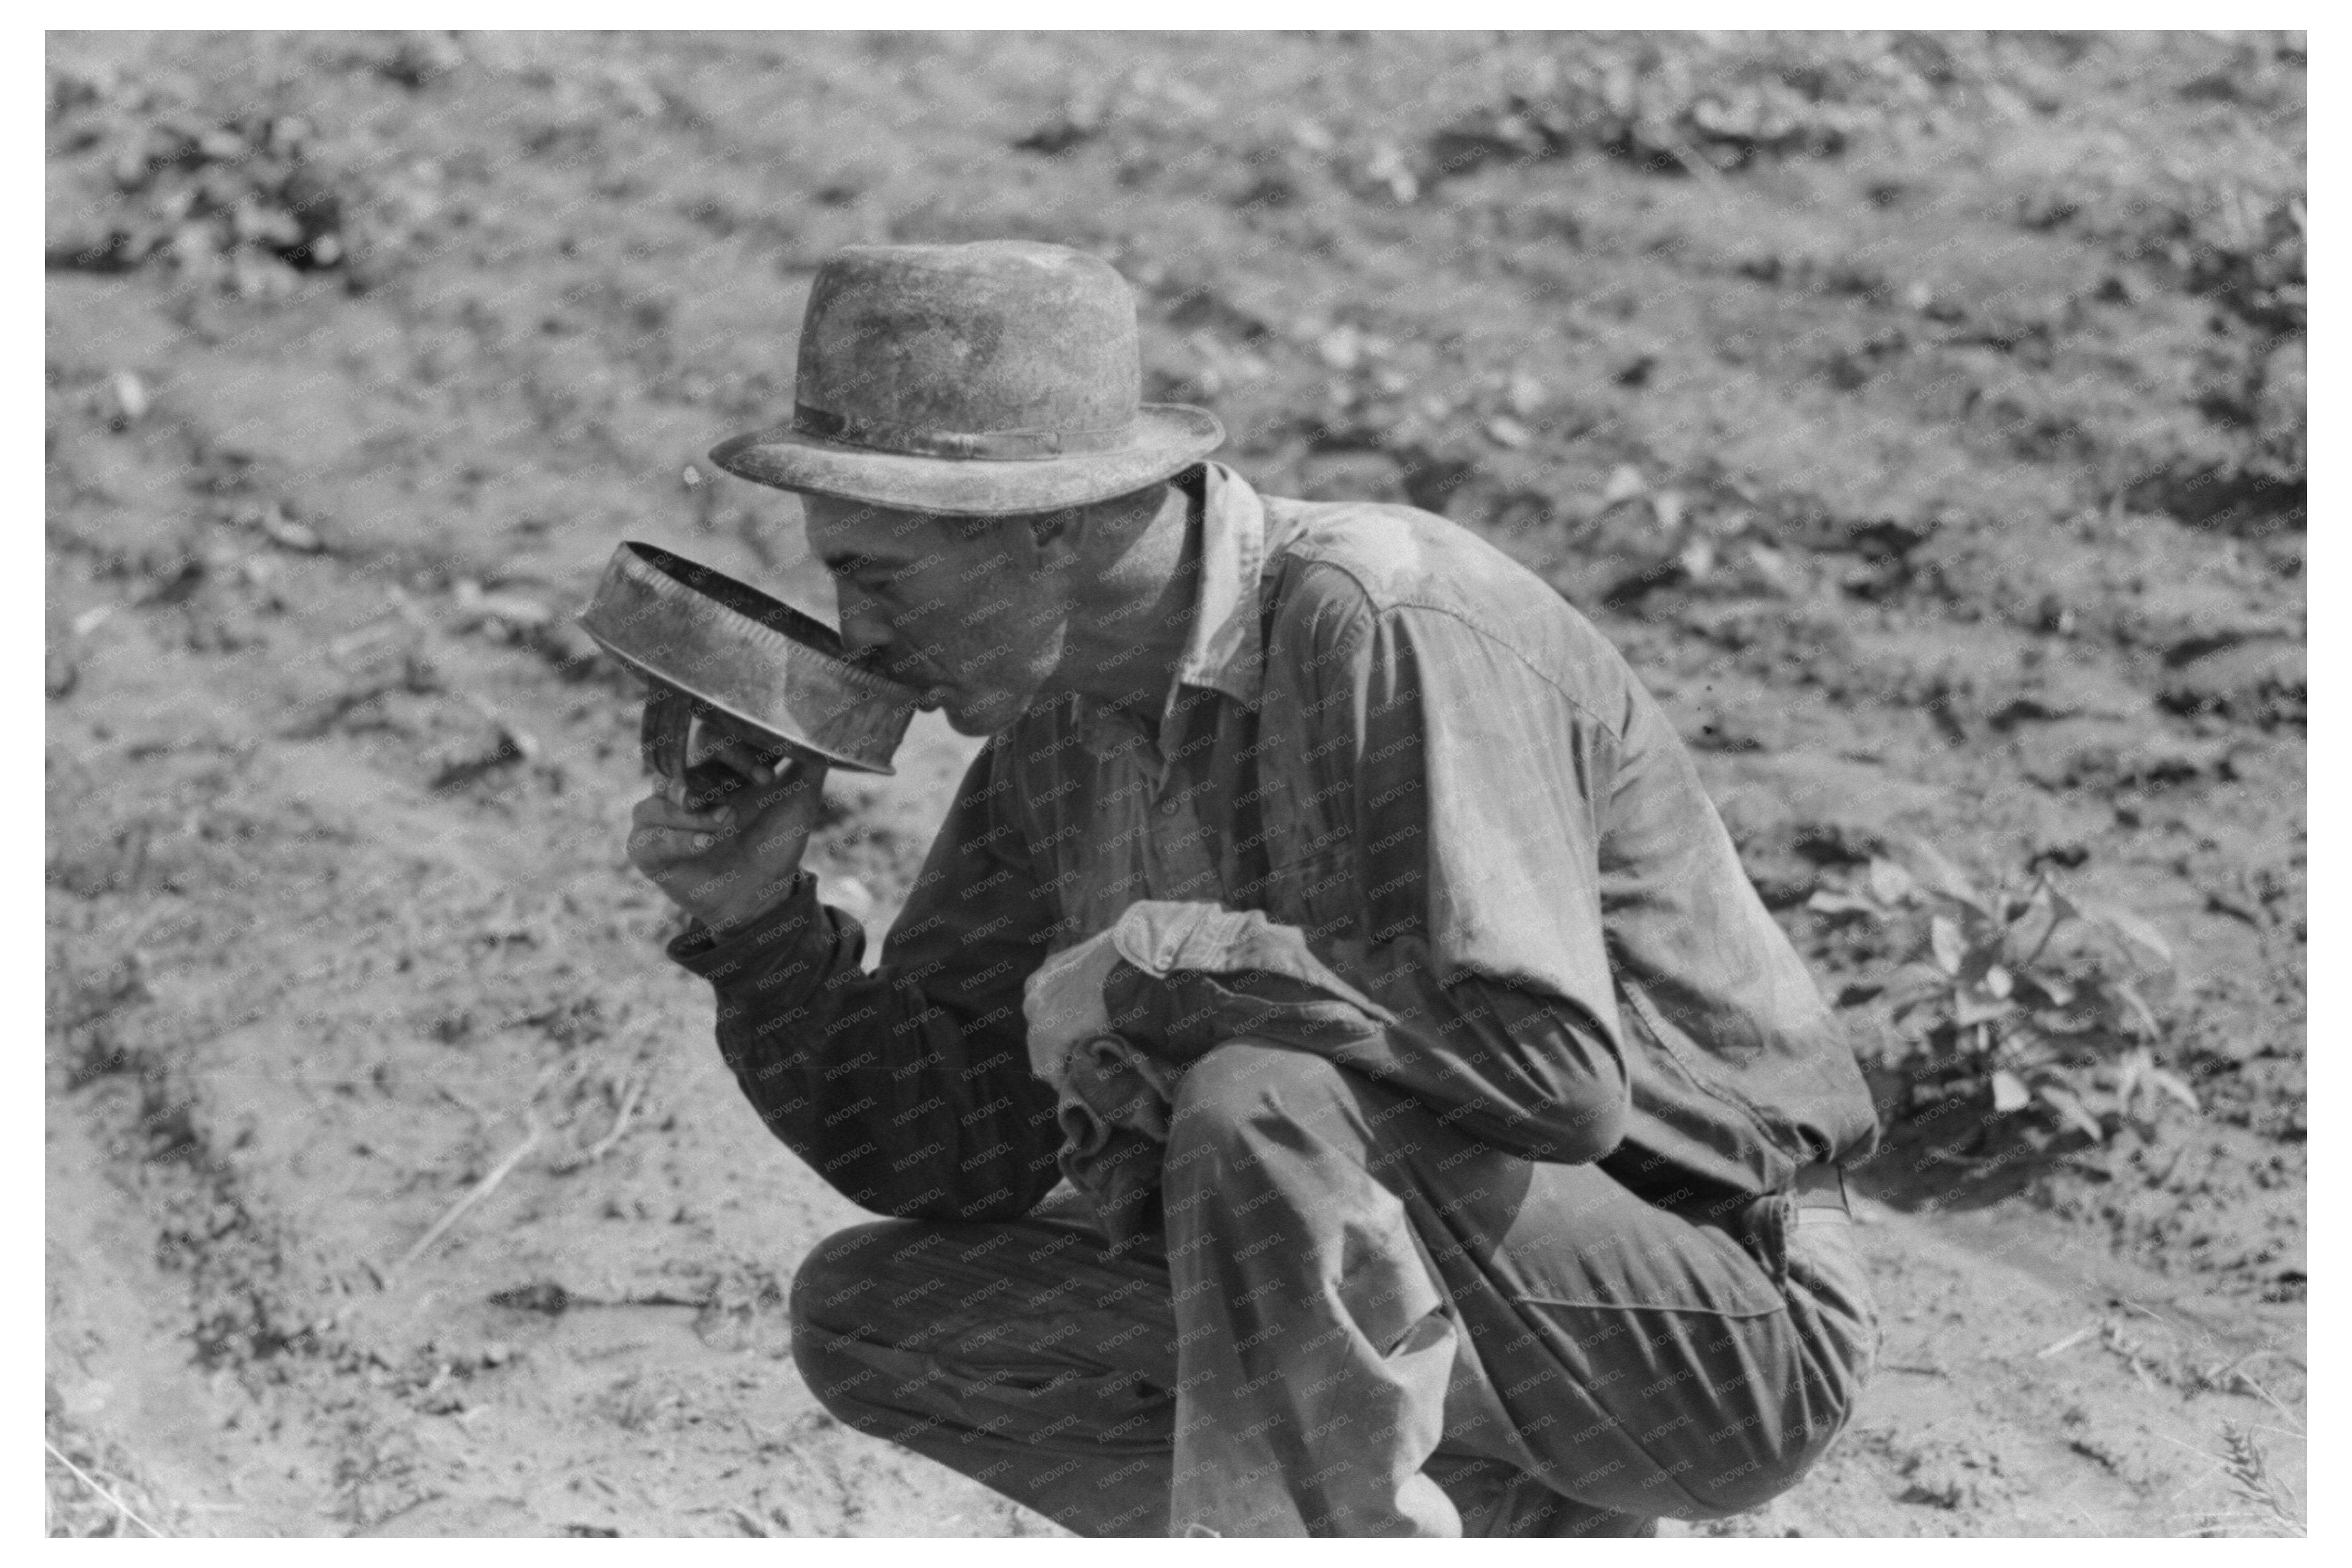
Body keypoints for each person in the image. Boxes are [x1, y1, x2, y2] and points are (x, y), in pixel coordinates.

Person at [624, 239, 1880, 1537]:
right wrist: (755, 920)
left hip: (1709, 1331)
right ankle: (1489, 1517)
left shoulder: (1386, 619)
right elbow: (949, 1148)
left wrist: (1167, 965)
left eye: (873, 574)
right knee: (882, 1319)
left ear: (1042, 522)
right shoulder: (1052, 736)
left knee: (1258, 1103)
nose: (859, 631)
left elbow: (1555, 1079)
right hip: (1446, 1308)